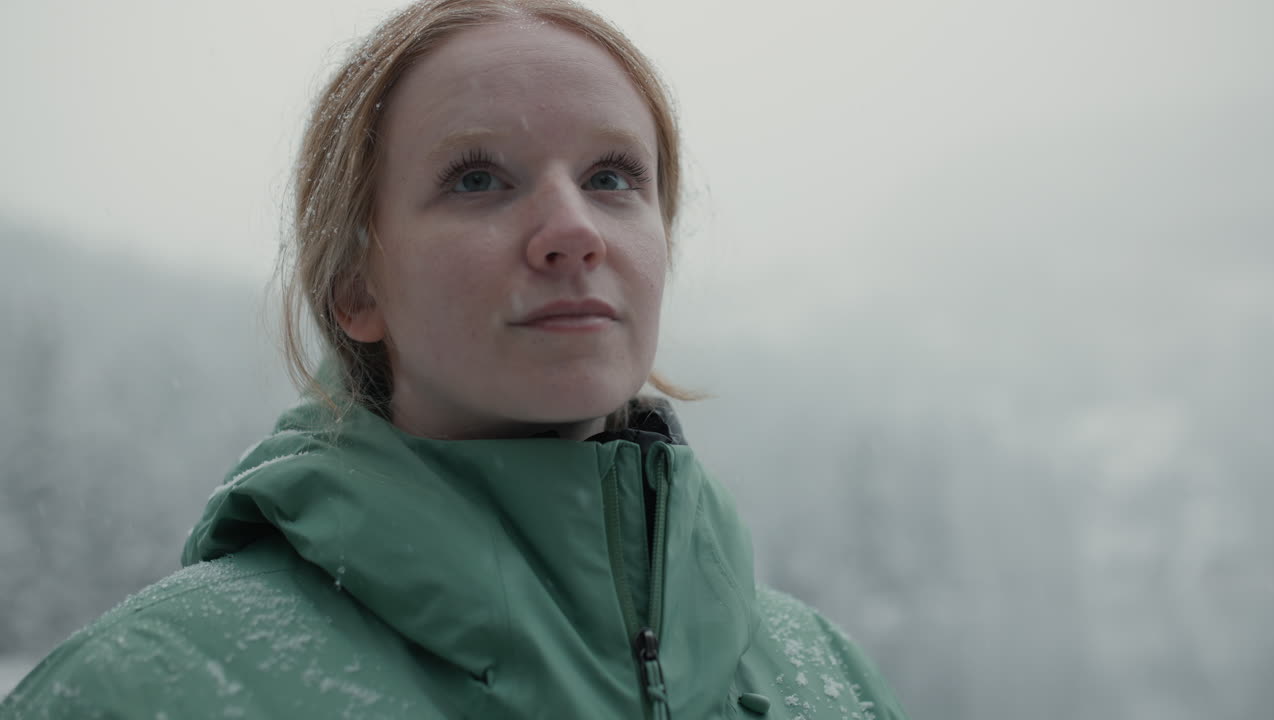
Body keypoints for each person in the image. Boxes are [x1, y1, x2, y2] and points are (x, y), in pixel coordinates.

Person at [1, 1, 909, 718]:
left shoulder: (826, 677)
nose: (574, 231)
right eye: (478, 179)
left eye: (613, 177)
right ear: (357, 286)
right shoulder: (149, 693)